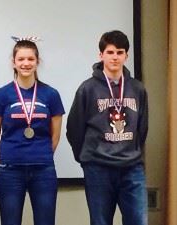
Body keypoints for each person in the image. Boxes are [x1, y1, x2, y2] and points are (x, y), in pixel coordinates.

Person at [66, 30, 148, 225]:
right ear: (101, 55)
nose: (115, 57)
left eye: (120, 52)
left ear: (126, 56)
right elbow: (74, 128)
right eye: (110, 52)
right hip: (98, 168)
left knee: (139, 220)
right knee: (100, 222)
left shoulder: (138, 89)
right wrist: (87, 157)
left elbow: (142, 128)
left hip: (131, 168)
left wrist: (133, 152)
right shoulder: (87, 88)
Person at [0, 36, 65, 225]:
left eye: (30, 59)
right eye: (21, 59)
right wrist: (7, 160)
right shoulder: (1, 95)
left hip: (43, 170)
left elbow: (55, 136)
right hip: (10, 171)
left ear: (37, 62)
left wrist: (40, 155)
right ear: (13, 62)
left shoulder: (51, 95)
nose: (26, 63)